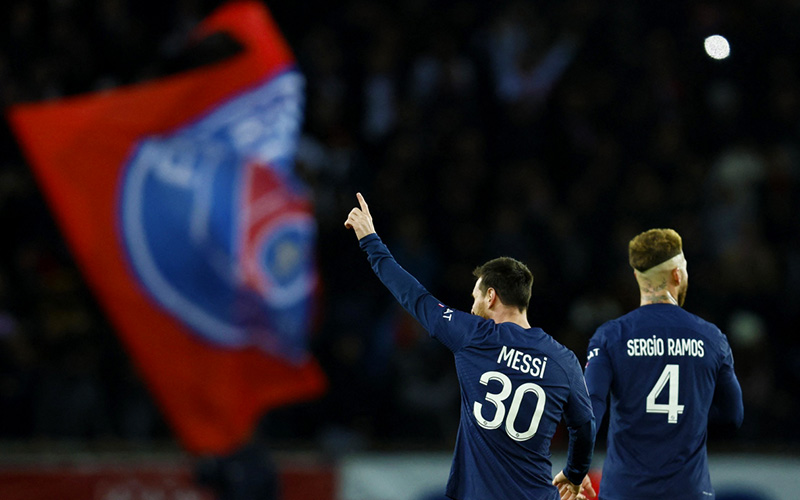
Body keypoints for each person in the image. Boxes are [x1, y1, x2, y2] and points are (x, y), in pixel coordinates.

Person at [345, 193, 595, 500]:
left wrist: (370, 240)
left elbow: (415, 296)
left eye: (476, 296)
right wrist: (574, 474)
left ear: (490, 296)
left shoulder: (474, 335)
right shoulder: (563, 360)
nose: (472, 304)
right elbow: (584, 428)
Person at [584, 228, 744, 500]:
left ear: (637, 276)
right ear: (677, 274)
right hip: (689, 491)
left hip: (626, 491)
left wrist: (576, 470)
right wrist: (690, 416)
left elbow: (589, 411)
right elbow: (734, 416)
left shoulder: (611, 337)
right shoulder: (711, 338)